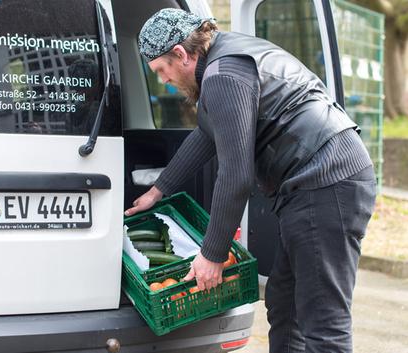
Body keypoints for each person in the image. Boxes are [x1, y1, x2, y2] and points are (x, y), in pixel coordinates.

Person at [125, 8, 376, 353]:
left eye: (161, 70)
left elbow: (236, 174)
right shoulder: (225, 58)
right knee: (285, 303)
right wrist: (158, 190)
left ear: (180, 54)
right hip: (310, 185)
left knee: (323, 321)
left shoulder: (223, 75)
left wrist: (212, 254)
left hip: (326, 183)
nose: (163, 81)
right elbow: (207, 134)